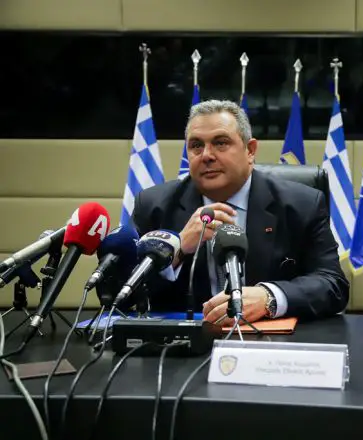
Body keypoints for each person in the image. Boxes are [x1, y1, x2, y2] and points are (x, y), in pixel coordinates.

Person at [131, 99, 349, 323]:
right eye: (196, 145)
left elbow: (332, 284)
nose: (206, 155)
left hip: (270, 344)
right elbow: (120, 294)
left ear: (250, 150)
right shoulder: (153, 206)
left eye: (221, 143)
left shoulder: (302, 204)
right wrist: (177, 250)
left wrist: (270, 297)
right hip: (180, 348)